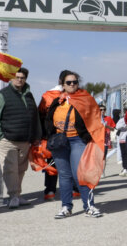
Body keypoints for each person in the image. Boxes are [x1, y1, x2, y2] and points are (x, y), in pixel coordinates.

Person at [41, 70, 104, 218]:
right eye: (68, 82)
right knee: (64, 175)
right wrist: (49, 135)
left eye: (74, 82)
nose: (72, 85)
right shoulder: (57, 100)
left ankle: (89, 206)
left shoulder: (85, 98)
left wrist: (89, 136)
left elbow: (95, 117)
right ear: (62, 84)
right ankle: (66, 207)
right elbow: (48, 119)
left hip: (77, 140)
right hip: (60, 141)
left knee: (81, 174)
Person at [0, 66, 41, 208]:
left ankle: (17, 195)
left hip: (25, 140)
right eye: (17, 77)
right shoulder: (2, 95)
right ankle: (13, 197)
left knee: (21, 169)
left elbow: (34, 116)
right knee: (10, 169)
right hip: (8, 140)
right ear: (11, 78)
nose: (19, 80)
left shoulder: (29, 95)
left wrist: (36, 135)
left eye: (22, 78)